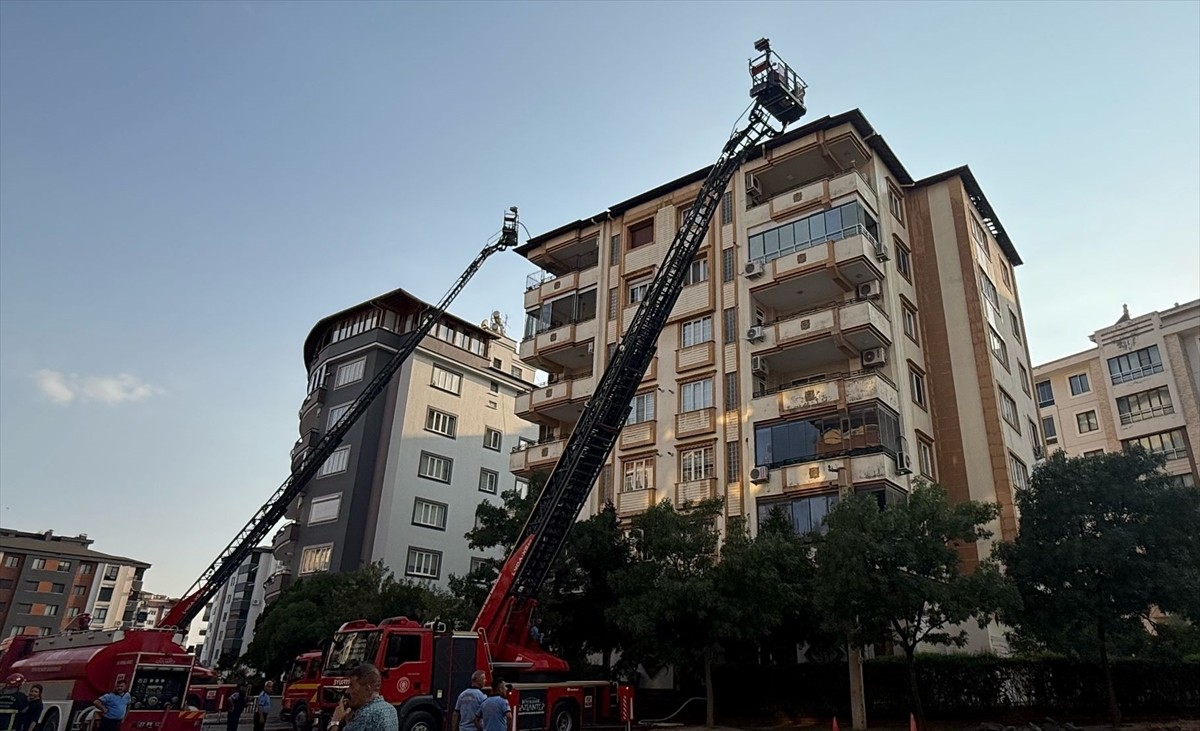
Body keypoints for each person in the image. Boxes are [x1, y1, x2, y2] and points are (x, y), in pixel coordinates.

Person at [327, 664, 396, 731]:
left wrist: (335, 721)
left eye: (352, 686)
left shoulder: (365, 716)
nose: (347, 691)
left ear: (367, 688)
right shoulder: (391, 710)